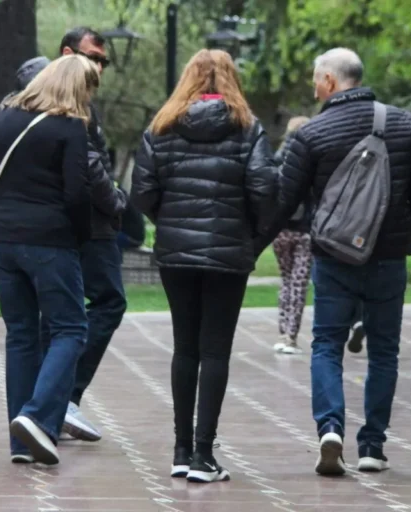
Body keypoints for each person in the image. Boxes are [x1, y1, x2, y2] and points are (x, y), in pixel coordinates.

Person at [273, 48, 411, 476]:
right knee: (384, 350)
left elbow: (284, 199)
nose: (315, 90)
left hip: (333, 256)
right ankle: (372, 446)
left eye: (316, 81)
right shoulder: (405, 124)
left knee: (327, 343)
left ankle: (330, 428)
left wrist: (253, 241)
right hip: (388, 258)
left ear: (329, 80)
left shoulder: (312, 133)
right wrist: (407, 240)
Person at [130, 49, 276, 484]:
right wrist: (248, 229)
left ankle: (179, 450)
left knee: (185, 347)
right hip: (228, 253)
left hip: (176, 252)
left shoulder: (161, 127)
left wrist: (170, 221)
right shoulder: (248, 128)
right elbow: (265, 188)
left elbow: (142, 192)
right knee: (215, 351)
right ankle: (203, 455)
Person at [0, 55, 99, 465]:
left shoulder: (4, 117)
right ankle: (37, 416)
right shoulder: (70, 126)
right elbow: (77, 193)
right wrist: (82, 235)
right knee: (70, 329)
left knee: (21, 335)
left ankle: (21, 444)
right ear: (76, 87)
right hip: (50, 240)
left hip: (2, 239)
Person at [10, 28, 126, 443]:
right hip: (83, 222)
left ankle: (38, 415)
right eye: (92, 57)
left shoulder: (27, 104)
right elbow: (88, 171)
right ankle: (58, 401)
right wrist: (116, 202)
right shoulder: (69, 104)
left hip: (44, 227)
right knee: (101, 305)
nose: (99, 66)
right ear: (66, 54)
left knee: (44, 323)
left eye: (103, 61)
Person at [272, 116, 313, 355]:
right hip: (303, 229)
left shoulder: (277, 158)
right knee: (299, 283)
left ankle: (281, 333)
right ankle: (290, 337)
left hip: (280, 230)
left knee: (286, 280)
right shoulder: (309, 160)